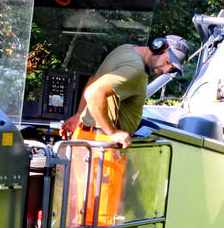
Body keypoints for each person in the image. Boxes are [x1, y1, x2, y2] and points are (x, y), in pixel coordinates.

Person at [61, 35, 190, 149]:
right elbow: (93, 93)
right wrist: (112, 133)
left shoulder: (126, 49)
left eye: (171, 69)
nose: (166, 70)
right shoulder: (136, 69)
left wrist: (79, 115)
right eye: (167, 62)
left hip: (86, 137)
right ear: (158, 47)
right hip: (102, 145)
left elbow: (93, 80)